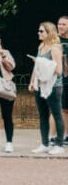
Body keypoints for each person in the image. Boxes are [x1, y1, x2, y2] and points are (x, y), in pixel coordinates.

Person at [28, 21, 64, 155]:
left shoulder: (55, 48)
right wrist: (32, 81)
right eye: (38, 31)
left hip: (53, 86)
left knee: (57, 114)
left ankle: (59, 144)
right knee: (43, 115)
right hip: (40, 84)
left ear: (49, 33)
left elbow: (59, 70)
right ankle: (44, 143)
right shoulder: (41, 46)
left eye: (41, 31)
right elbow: (36, 66)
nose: (39, 33)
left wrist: (42, 63)